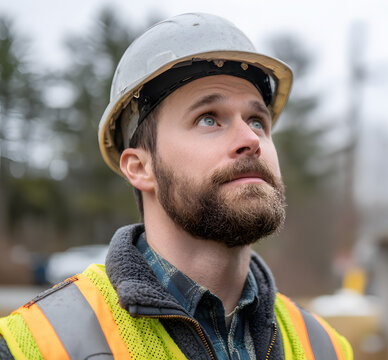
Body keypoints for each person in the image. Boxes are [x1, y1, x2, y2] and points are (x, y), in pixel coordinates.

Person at [0, 13, 352, 360]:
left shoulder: (326, 348)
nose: (250, 139)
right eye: (209, 118)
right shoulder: (35, 346)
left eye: (257, 121)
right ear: (140, 168)